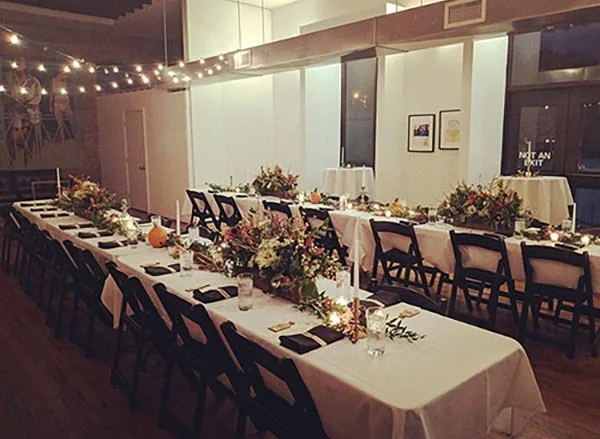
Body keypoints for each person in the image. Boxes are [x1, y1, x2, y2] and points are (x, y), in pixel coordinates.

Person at [50, 70, 75, 142]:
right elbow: (52, 93)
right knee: (60, 123)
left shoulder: (66, 82)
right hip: (57, 102)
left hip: (66, 101)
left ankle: (73, 136)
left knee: (71, 120)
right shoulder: (53, 81)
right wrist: (50, 105)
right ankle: (62, 138)